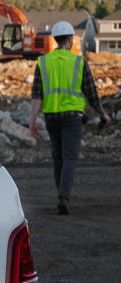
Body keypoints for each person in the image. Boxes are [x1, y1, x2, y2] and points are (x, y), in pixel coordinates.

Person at [28, 21, 111, 214]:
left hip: (51, 117)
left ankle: (61, 194)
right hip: (72, 118)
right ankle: (63, 197)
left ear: (55, 39)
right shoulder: (79, 62)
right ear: (70, 39)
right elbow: (91, 93)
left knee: (58, 157)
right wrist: (102, 114)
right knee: (70, 157)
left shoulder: (43, 62)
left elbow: (37, 95)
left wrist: (32, 121)